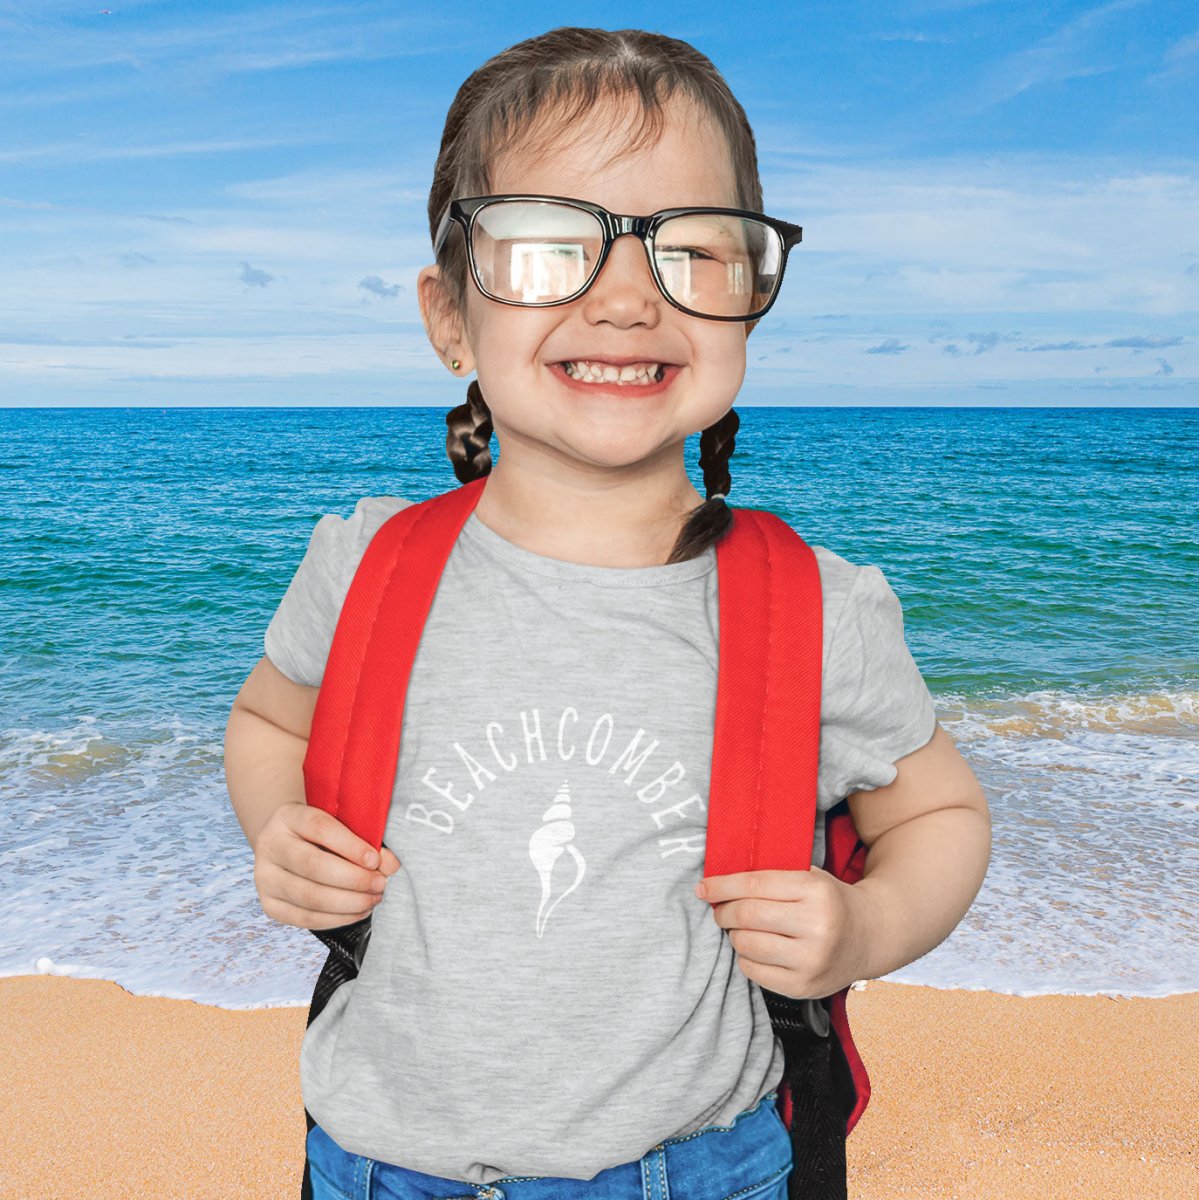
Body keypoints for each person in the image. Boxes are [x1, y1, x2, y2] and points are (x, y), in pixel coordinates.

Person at [223, 26, 992, 1200]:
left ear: (749, 297)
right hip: (372, 1157)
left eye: (694, 250)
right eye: (545, 246)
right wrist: (281, 831)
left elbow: (936, 812)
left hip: (693, 1168)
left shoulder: (814, 609)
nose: (628, 298)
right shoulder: (363, 563)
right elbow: (272, 724)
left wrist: (867, 926)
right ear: (448, 316)